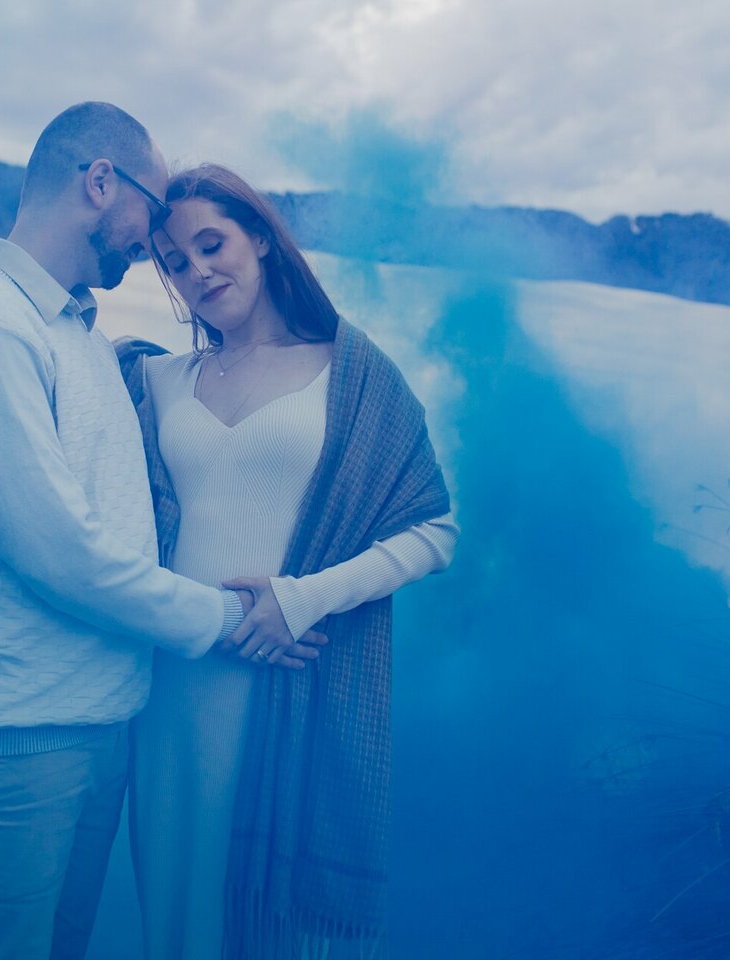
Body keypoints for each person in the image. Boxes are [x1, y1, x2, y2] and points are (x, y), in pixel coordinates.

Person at [0, 105, 315, 960]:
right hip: (4, 751)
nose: (154, 241)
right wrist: (233, 621)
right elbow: (64, 557)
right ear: (99, 183)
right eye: (153, 213)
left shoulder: (76, 335)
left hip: (88, 735)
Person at [116, 163, 458, 958]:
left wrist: (302, 599)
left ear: (262, 239)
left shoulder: (352, 374)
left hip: (287, 683)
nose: (198, 271)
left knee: (271, 930)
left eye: (213, 244)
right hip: (172, 690)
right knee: (176, 915)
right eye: (175, 262)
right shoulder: (159, 380)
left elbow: (434, 531)